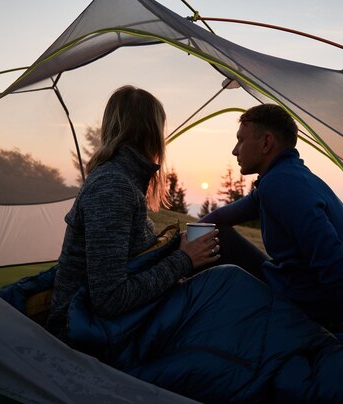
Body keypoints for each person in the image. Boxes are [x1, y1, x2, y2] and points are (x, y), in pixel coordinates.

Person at [46, 85, 220, 342]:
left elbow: (131, 259)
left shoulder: (125, 181)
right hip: (83, 330)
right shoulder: (112, 187)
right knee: (226, 284)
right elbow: (110, 298)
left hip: (111, 323)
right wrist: (184, 260)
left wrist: (175, 247)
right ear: (151, 133)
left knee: (223, 276)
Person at [201, 104, 343, 342]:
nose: (235, 151)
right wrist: (184, 243)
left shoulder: (283, 185)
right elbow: (220, 217)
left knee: (219, 241)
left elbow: (338, 269)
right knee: (217, 235)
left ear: (266, 143)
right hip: (298, 290)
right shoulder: (284, 177)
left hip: (311, 311)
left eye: (241, 140)